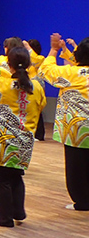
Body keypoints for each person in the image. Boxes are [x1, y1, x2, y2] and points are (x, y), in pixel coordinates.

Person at [0, 45, 46, 227]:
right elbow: (41, 105)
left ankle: (5, 219)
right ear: (29, 64)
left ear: (9, 64)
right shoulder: (35, 86)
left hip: (2, 139)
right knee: (16, 176)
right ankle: (18, 213)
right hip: (24, 138)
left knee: (3, 180)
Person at [40, 33, 89, 211]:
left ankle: (82, 201)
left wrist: (53, 50)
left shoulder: (70, 73)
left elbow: (46, 71)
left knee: (76, 167)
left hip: (76, 129)